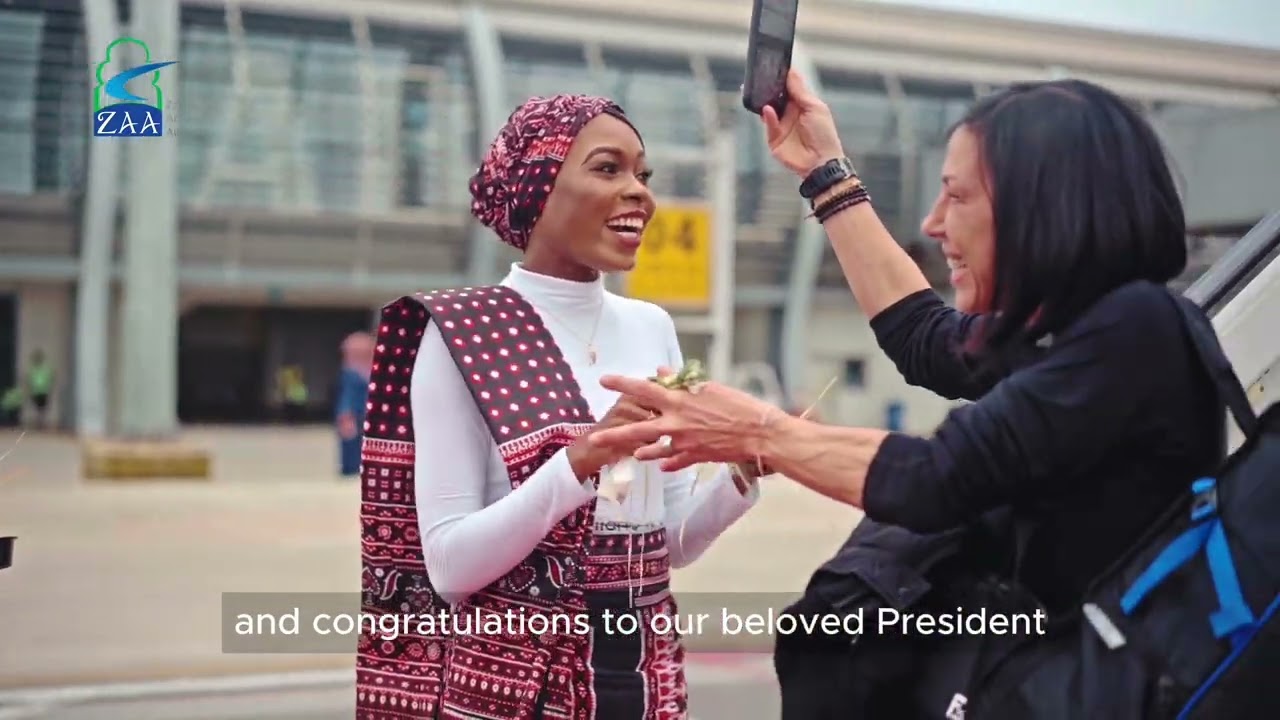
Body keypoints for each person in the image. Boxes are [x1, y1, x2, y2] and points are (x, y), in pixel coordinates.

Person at [587, 71, 1225, 716]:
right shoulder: (1077, 329)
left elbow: (936, 477)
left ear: (1042, 206)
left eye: (957, 197)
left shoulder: (1133, 330)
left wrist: (760, 433)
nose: (933, 223)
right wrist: (824, 173)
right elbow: (925, 337)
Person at [355, 94, 762, 719]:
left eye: (643, 175)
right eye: (608, 169)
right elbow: (449, 567)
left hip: (642, 679)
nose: (640, 194)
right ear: (536, 186)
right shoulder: (464, 333)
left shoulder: (653, 328)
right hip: (514, 687)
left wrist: (746, 466)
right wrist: (578, 464)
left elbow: (669, 542)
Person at [334, 331, 372, 478]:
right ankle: (350, 470)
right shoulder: (349, 373)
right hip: (354, 414)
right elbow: (346, 396)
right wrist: (345, 414)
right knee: (351, 444)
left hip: (368, 414)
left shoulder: (370, 370)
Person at [24, 350, 54, 429]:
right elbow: (29, 379)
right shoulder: (32, 368)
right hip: (35, 391)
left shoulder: (45, 368)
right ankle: (38, 423)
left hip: (44, 391)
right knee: (37, 408)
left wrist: (49, 387)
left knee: (43, 408)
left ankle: (42, 423)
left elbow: (50, 378)